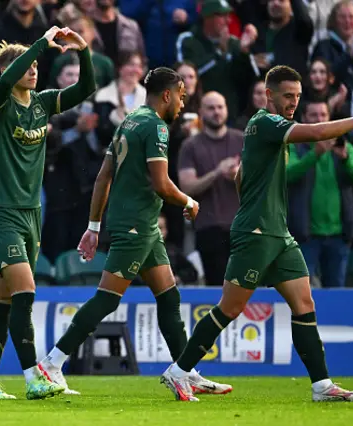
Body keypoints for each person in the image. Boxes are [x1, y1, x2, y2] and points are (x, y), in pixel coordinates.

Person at [160, 65, 353, 402]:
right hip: (256, 234)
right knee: (230, 308)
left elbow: (240, 174)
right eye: (287, 96)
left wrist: (255, 202)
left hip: (277, 233)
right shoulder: (265, 123)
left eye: (297, 97)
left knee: (304, 302)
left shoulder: (261, 131)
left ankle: (321, 386)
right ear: (269, 95)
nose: (293, 103)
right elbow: (314, 134)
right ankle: (179, 372)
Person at [37, 67, 231, 396]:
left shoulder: (131, 120)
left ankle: (184, 370)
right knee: (107, 299)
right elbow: (162, 184)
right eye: (181, 97)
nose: (183, 104)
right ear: (167, 95)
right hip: (136, 225)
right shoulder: (155, 127)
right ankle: (52, 363)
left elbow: (103, 176)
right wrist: (188, 200)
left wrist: (94, 226)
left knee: (169, 296)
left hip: (141, 224)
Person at [0, 26, 96, 400]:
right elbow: (8, 77)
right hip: (1, 211)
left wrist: (84, 51)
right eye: (28, 66)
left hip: (31, 213)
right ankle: (32, 377)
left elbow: (84, 89)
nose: (34, 70)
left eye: (37, 65)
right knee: (26, 291)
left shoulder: (41, 103)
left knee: (3, 300)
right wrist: (41, 41)